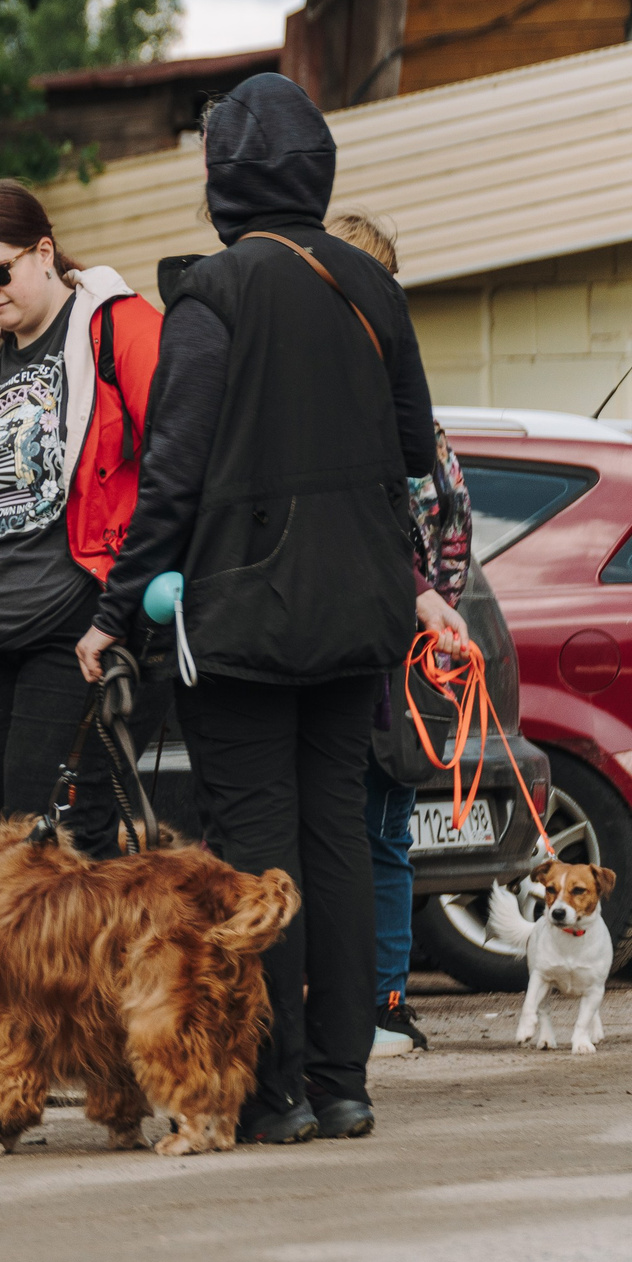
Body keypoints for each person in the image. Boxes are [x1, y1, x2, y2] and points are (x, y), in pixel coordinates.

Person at [79, 74, 467, 1146]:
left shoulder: (216, 292)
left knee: (254, 855)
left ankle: (273, 1090)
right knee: (336, 839)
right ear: (316, 169)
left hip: (243, 617)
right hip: (357, 609)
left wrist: (115, 612)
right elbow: (409, 450)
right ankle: (344, 1084)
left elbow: (174, 469)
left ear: (223, 181)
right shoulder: (368, 286)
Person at [0, 180, 164, 853]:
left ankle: (84, 965)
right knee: (5, 844)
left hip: (68, 630)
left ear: (43, 251)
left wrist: (124, 605)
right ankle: (35, 965)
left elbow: (181, 455)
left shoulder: (114, 327)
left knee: (48, 835)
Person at [324, 209, 472, 1060]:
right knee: (383, 838)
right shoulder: (423, 416)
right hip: (412, 659)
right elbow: (455, 532)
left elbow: (404, 531)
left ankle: (370, 1005)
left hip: (367, 650)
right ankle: (382, 1002)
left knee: (355, 835)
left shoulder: (365, 406)